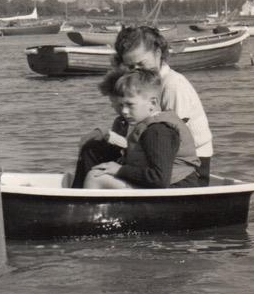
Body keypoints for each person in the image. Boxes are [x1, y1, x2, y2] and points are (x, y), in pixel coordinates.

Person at [112, 25, 213, 185]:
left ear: (158, 54)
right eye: (130, 67)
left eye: (141, 64)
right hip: (162, 154)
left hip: (190, 166)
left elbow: (173, 135)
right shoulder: (146, 84)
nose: (136, 71)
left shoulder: (173, 85)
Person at [84, 70, 201, 189]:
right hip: (163, 186)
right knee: (95, 157)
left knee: (95, 177)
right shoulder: (149, 126)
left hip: (175, 190)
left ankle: (83, 205)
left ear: (152, 103)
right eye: (121, 105)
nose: (124, 111)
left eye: (130, 105)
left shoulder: (158, 131)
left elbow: (159, 179)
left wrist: (120, 170)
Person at [70, 68, 128, 188]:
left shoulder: (139, 121)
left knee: (91, 149)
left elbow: (134, 146)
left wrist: (105, 133)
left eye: (114, 102)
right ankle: (79, 187)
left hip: (131, 164)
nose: (112, 106)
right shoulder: (120, 121)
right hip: (122, 159)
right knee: (91, 147)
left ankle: (79, 189)